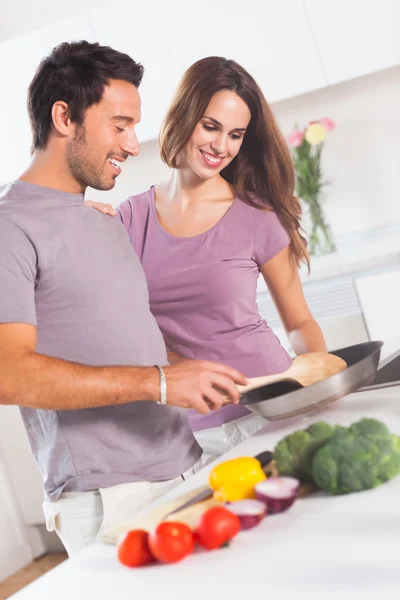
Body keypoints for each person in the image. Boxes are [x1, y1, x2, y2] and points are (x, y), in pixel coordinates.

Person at [0, 43, 246, 557]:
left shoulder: (101, 219)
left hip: (185, 465)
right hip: (109, 498)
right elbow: (8, 374)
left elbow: (117, 338)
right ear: (64, 117)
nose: (134, 145)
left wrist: (189, 370)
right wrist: (158, 382)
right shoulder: (10, 227)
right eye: (119, 125)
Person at [89, 56, 327, 464]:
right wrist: (78, 231)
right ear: (184, 116)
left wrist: (320, 388)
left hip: (271, 408)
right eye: (211, 126)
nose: (221, 146)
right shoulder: (127, 220)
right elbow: (114, 329)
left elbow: (299, 321)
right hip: (189, 432)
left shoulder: (258, 216)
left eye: (235, 135)